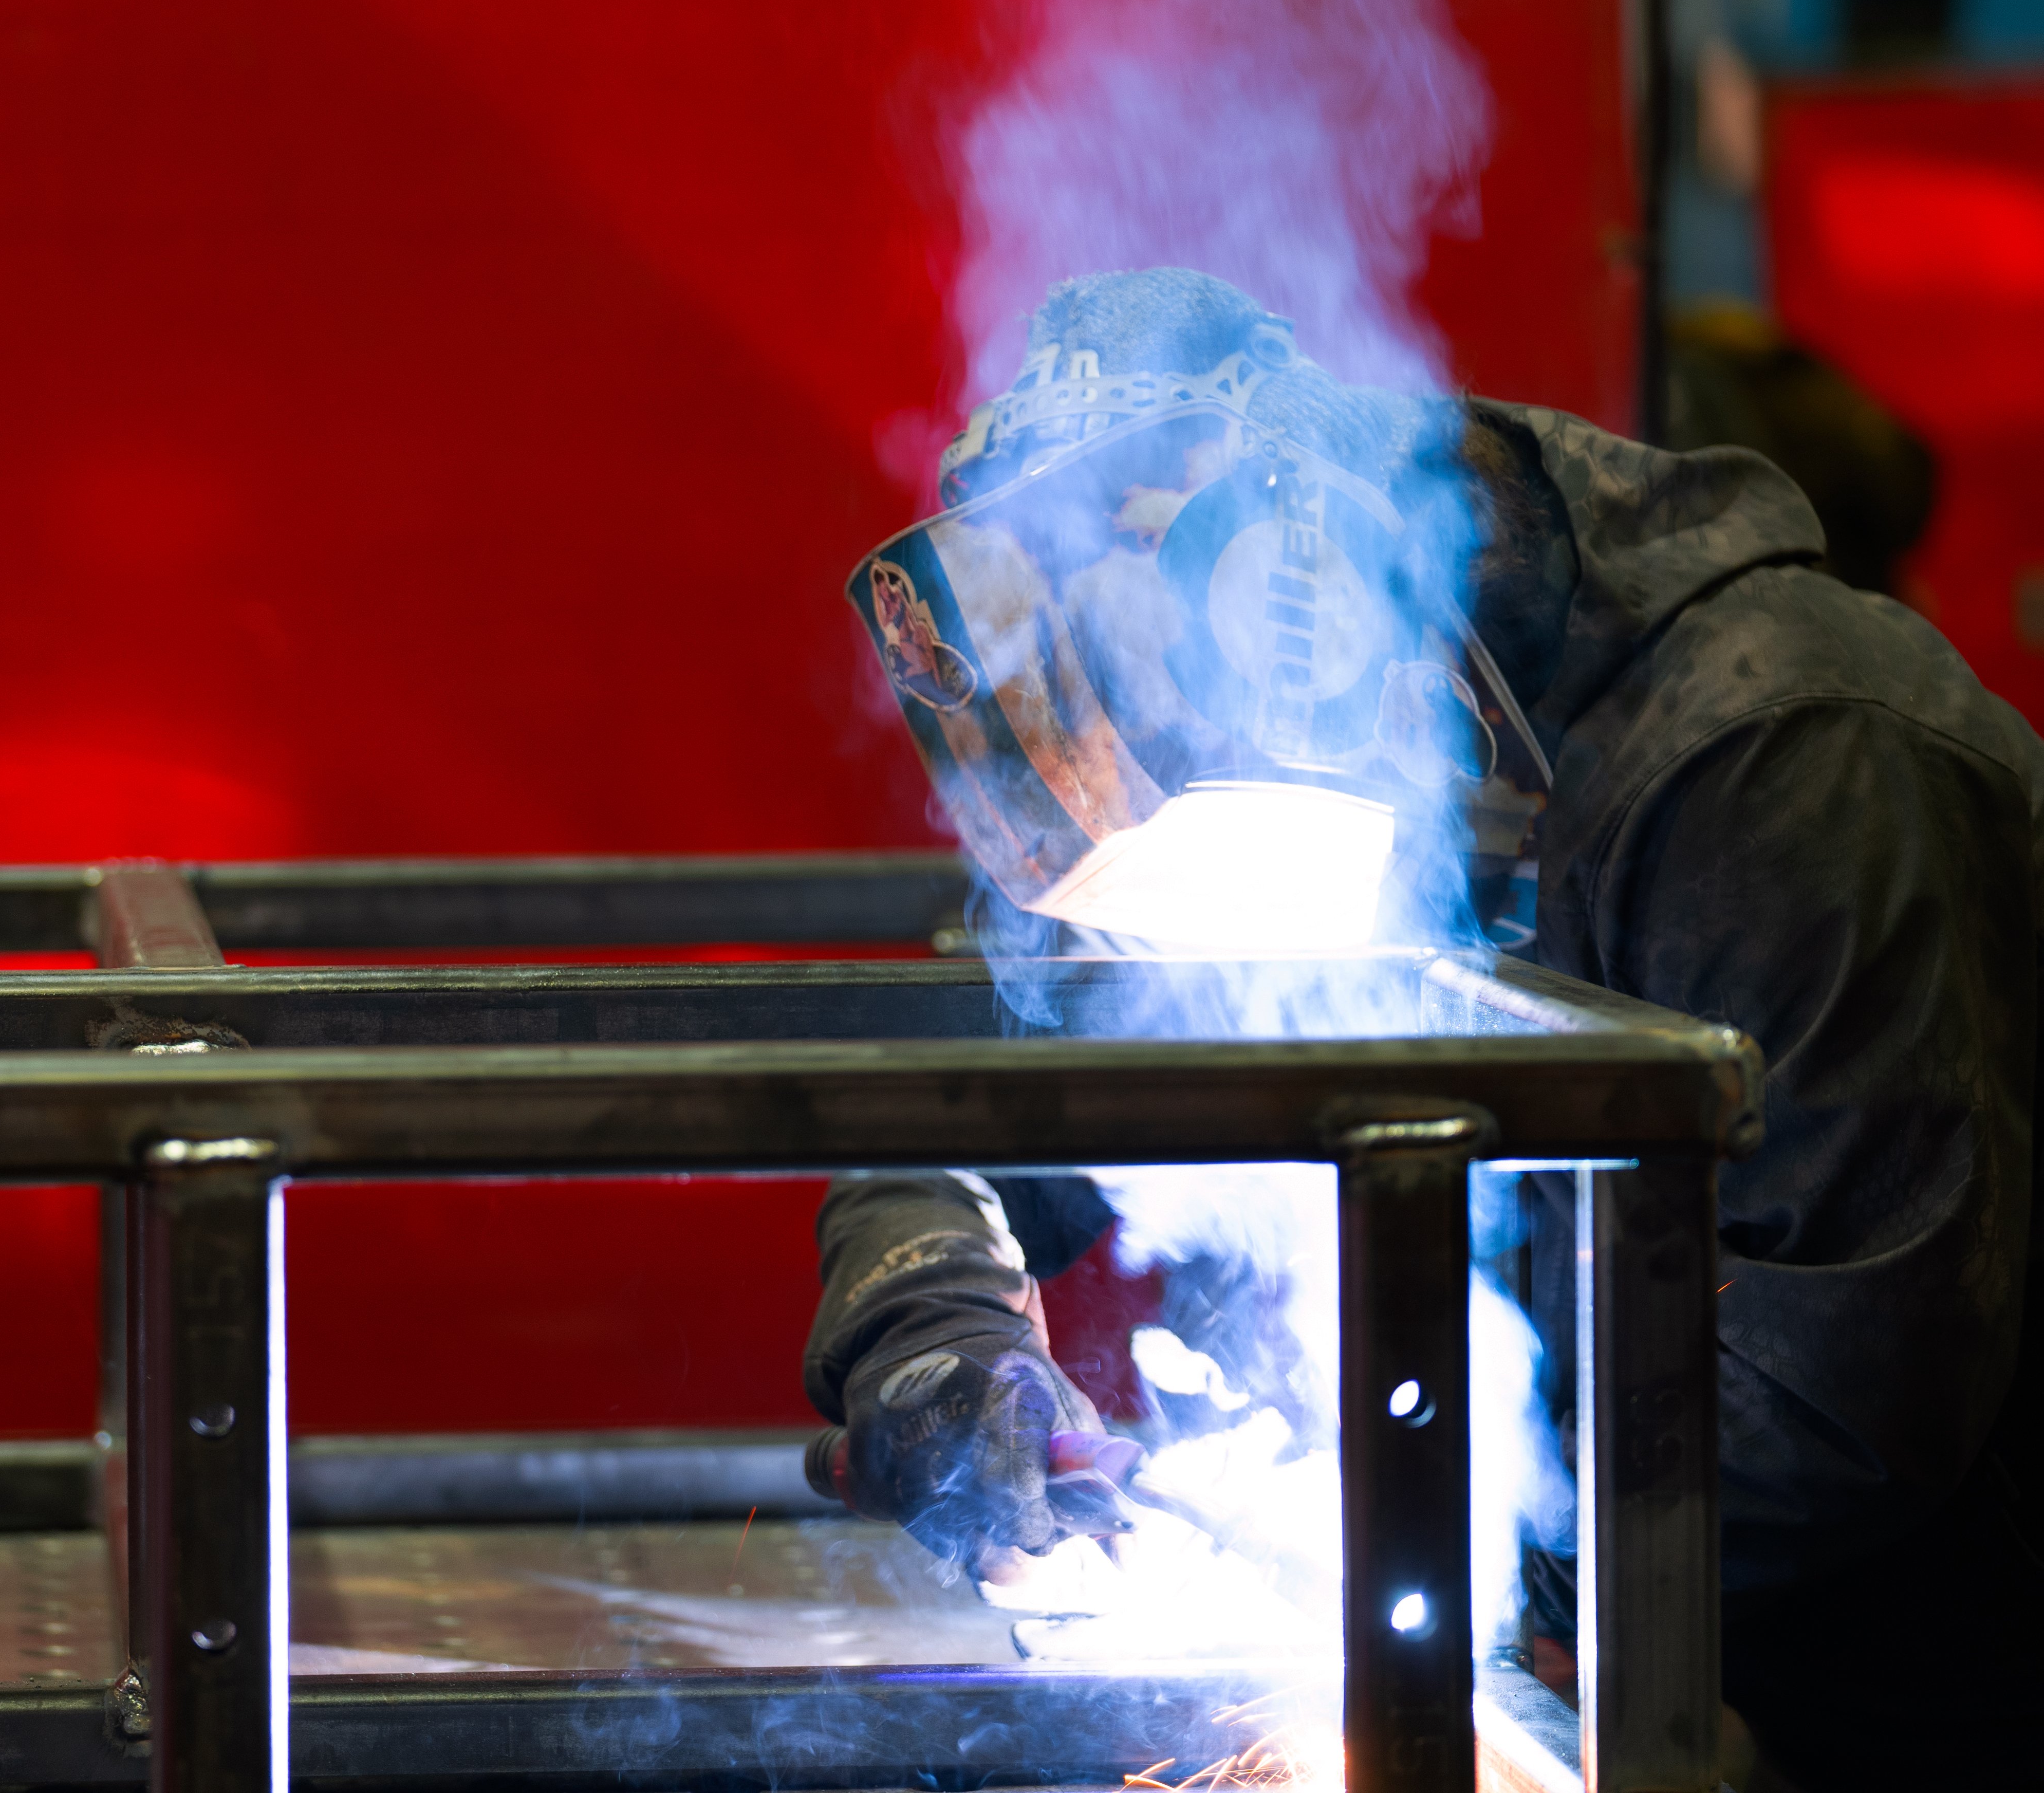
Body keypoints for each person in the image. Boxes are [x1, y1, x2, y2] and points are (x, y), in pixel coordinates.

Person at [801, 268, 2040, 1792]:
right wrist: (939, 1341)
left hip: (1924, 1703)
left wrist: (1412, 1559)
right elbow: (958, 1113)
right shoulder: (1249, 761)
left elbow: (1841, 1396)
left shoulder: (1780, 764)